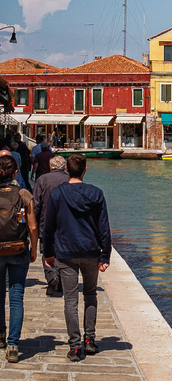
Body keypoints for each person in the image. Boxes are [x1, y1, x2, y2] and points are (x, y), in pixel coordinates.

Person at [40, 154, 109, 361]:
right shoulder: (96, 193)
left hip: (66, 252)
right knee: (90, 294)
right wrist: (105, 254)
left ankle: (75, 346)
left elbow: (49, 226)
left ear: (67, 170)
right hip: (90, 251)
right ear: (85, 170)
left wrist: (48, 253)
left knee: (70, 300)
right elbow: (103, 227)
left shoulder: (58, 194)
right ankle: (90, 340)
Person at [0, 155, 34, 363]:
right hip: (18, 250)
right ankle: (13, 344)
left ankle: (0, 335)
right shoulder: (24, 194)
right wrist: (34, 249)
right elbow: (32, 226)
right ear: (15, 173)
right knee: (16, 297)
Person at [32, 155, 68, 300]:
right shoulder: (70, 180)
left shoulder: (42, 180)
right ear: (65, 167)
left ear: (50, 166)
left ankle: (52, 275)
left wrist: (31, 224)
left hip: (45, 222)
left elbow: (36, 204)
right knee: (62, 252)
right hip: (66, 223)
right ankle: (60, 281)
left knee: (47, 251)